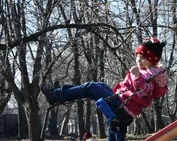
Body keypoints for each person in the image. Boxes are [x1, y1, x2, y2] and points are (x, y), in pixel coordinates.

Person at [41, 37, 169, 126]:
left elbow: (143, 94)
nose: (138, 61)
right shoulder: (146, 72)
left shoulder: (150, 76)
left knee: (92, 88)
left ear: (152, 60)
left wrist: (136, 76)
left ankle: (56, 95)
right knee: (99, 85)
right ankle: (59, 93)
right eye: (138, 57)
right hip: (120, 102)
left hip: (122, 108)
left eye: (143, 58)